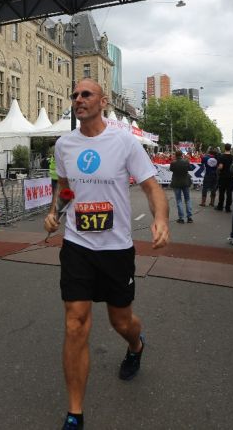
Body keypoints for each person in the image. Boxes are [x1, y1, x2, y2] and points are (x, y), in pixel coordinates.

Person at [43, 79, 169, 430]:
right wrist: (55, 211)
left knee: (121, 322)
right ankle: (75, 413)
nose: (78, 99)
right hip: (77, 245)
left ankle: (136, 346)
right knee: (75, 323)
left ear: (103, 101)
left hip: (116, 249)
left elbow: (151, 187)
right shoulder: (64, 145)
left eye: (86, 94)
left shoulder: (124, 142)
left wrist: (160, 218)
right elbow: (66, 189)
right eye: (75, 95)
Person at [168, 150, 193, 223]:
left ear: (175, 155)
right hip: (185, 182)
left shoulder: (173, 163)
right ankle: (189, 217)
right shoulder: (186, 161)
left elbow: (171, 169)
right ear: (182, 155)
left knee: (179, 200)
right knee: (187, 199)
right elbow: (190, 168)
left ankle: (181, 218)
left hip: (176, 182)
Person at [214, 143, 233, 212]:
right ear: (230, 149)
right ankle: (228, 208)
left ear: (224, 148)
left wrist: (217, 169)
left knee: (222, 192)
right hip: (231, 177)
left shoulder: (222, 157)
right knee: (229, 193)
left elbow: (220, 167)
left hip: (223, 176)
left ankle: (220, 206)